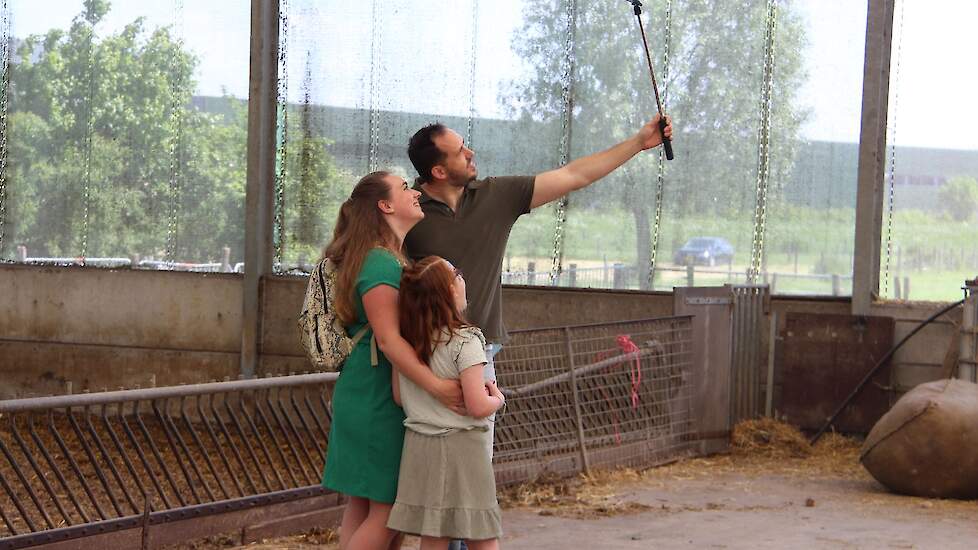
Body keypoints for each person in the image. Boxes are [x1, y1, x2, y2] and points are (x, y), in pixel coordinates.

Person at [404, 115, 672, 550]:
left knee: (472, 467)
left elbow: (574, 174)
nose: (470, 153)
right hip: (425, 353)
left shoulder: (495, 195)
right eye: (459, 151)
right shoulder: (408, 207)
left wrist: (639, 143)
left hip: (477, 349)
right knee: (437, 475)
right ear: (437, 170)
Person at [321, 171, 465, 550]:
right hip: (377, 396)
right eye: (405, 189)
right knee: (390, 512)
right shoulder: (383, 265)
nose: (415, 192)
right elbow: (388, 340)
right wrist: (437, 387)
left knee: (365, 505)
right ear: (385, 206)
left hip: (367, 389)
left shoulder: (383, 258)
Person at [387, 256, 506, 550]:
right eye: (458, 274)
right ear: (450, 291)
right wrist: (498, 399)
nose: (463, 279)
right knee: (482, 534)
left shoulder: (409, 342)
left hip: (420, 447)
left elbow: (400, 397)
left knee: (434, 535)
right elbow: (477, 406)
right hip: (463, 450)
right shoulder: (466, 341)